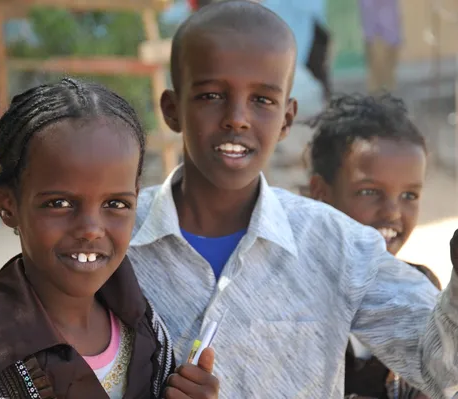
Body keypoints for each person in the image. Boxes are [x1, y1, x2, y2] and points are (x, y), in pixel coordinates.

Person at [127, 1, 458, 397]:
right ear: (172, 109)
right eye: (211, 95)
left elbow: (440, 371)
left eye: (262, 100)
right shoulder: (118, 239)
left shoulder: (337, 245)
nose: (237, 117)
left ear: (286, 119)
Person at [0, 79, 219, 399]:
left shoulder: (149, 332)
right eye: (59, 203)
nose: (91, 228)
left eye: (115, 203)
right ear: (8, 205)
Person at [306, 92, 441, 399]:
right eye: (369, 192)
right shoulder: (293, 300)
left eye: (409, 196)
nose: (393, 212)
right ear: (320, 193)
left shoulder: (420, 290)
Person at [358, 0, 403, 93]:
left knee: (388, 76)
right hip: (376, 35)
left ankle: (386, 92)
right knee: (377, 75)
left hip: (389, 34)